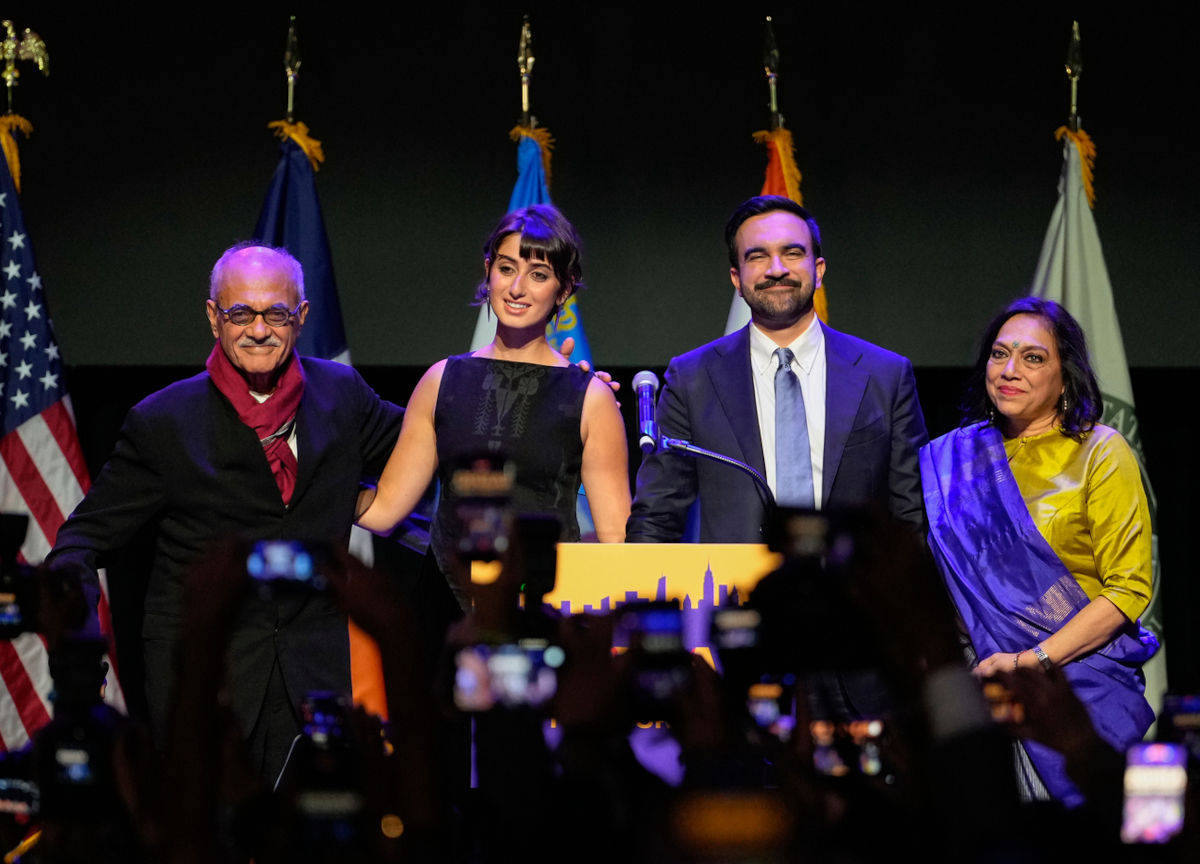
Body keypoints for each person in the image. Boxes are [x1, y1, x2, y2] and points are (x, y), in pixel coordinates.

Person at [46, 243, 407, 783]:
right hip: (204, 680)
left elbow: (426, 439)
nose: (258, 329)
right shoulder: (163, 421)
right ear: (214, 317)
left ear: (301, 317)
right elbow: (80, 540)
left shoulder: (342, 396)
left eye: (275, 313)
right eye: (241, 312)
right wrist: (79, 646)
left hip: (314, 679)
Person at [919, 296, 1158, 805]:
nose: (1010, 370)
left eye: (1032, 357)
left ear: (1064, 374)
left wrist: (1031, 661)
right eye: (999, 354)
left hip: (1076, 692)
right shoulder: (952, 459)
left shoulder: (1101, 451)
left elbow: (1127, 591)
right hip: (978, 690)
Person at [356, 204, 630, 615]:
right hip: (444, 606)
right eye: (506, 268)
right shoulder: (441, 380)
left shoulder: (591, 397)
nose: (517, 287)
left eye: (538, 275)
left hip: (544, 604)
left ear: (565, 289)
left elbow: (616, 539)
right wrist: (309, 490)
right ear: (488, 270)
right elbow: (384, 510)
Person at [625, 195, 928, 539]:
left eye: (793, 253)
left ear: (819, 269)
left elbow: (911, 517)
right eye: (757, 256)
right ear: (737, 279)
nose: (776, 268)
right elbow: (656, 517)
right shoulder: (692, 379)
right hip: (736, 589)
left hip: (854, 589)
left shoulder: (886, 375)